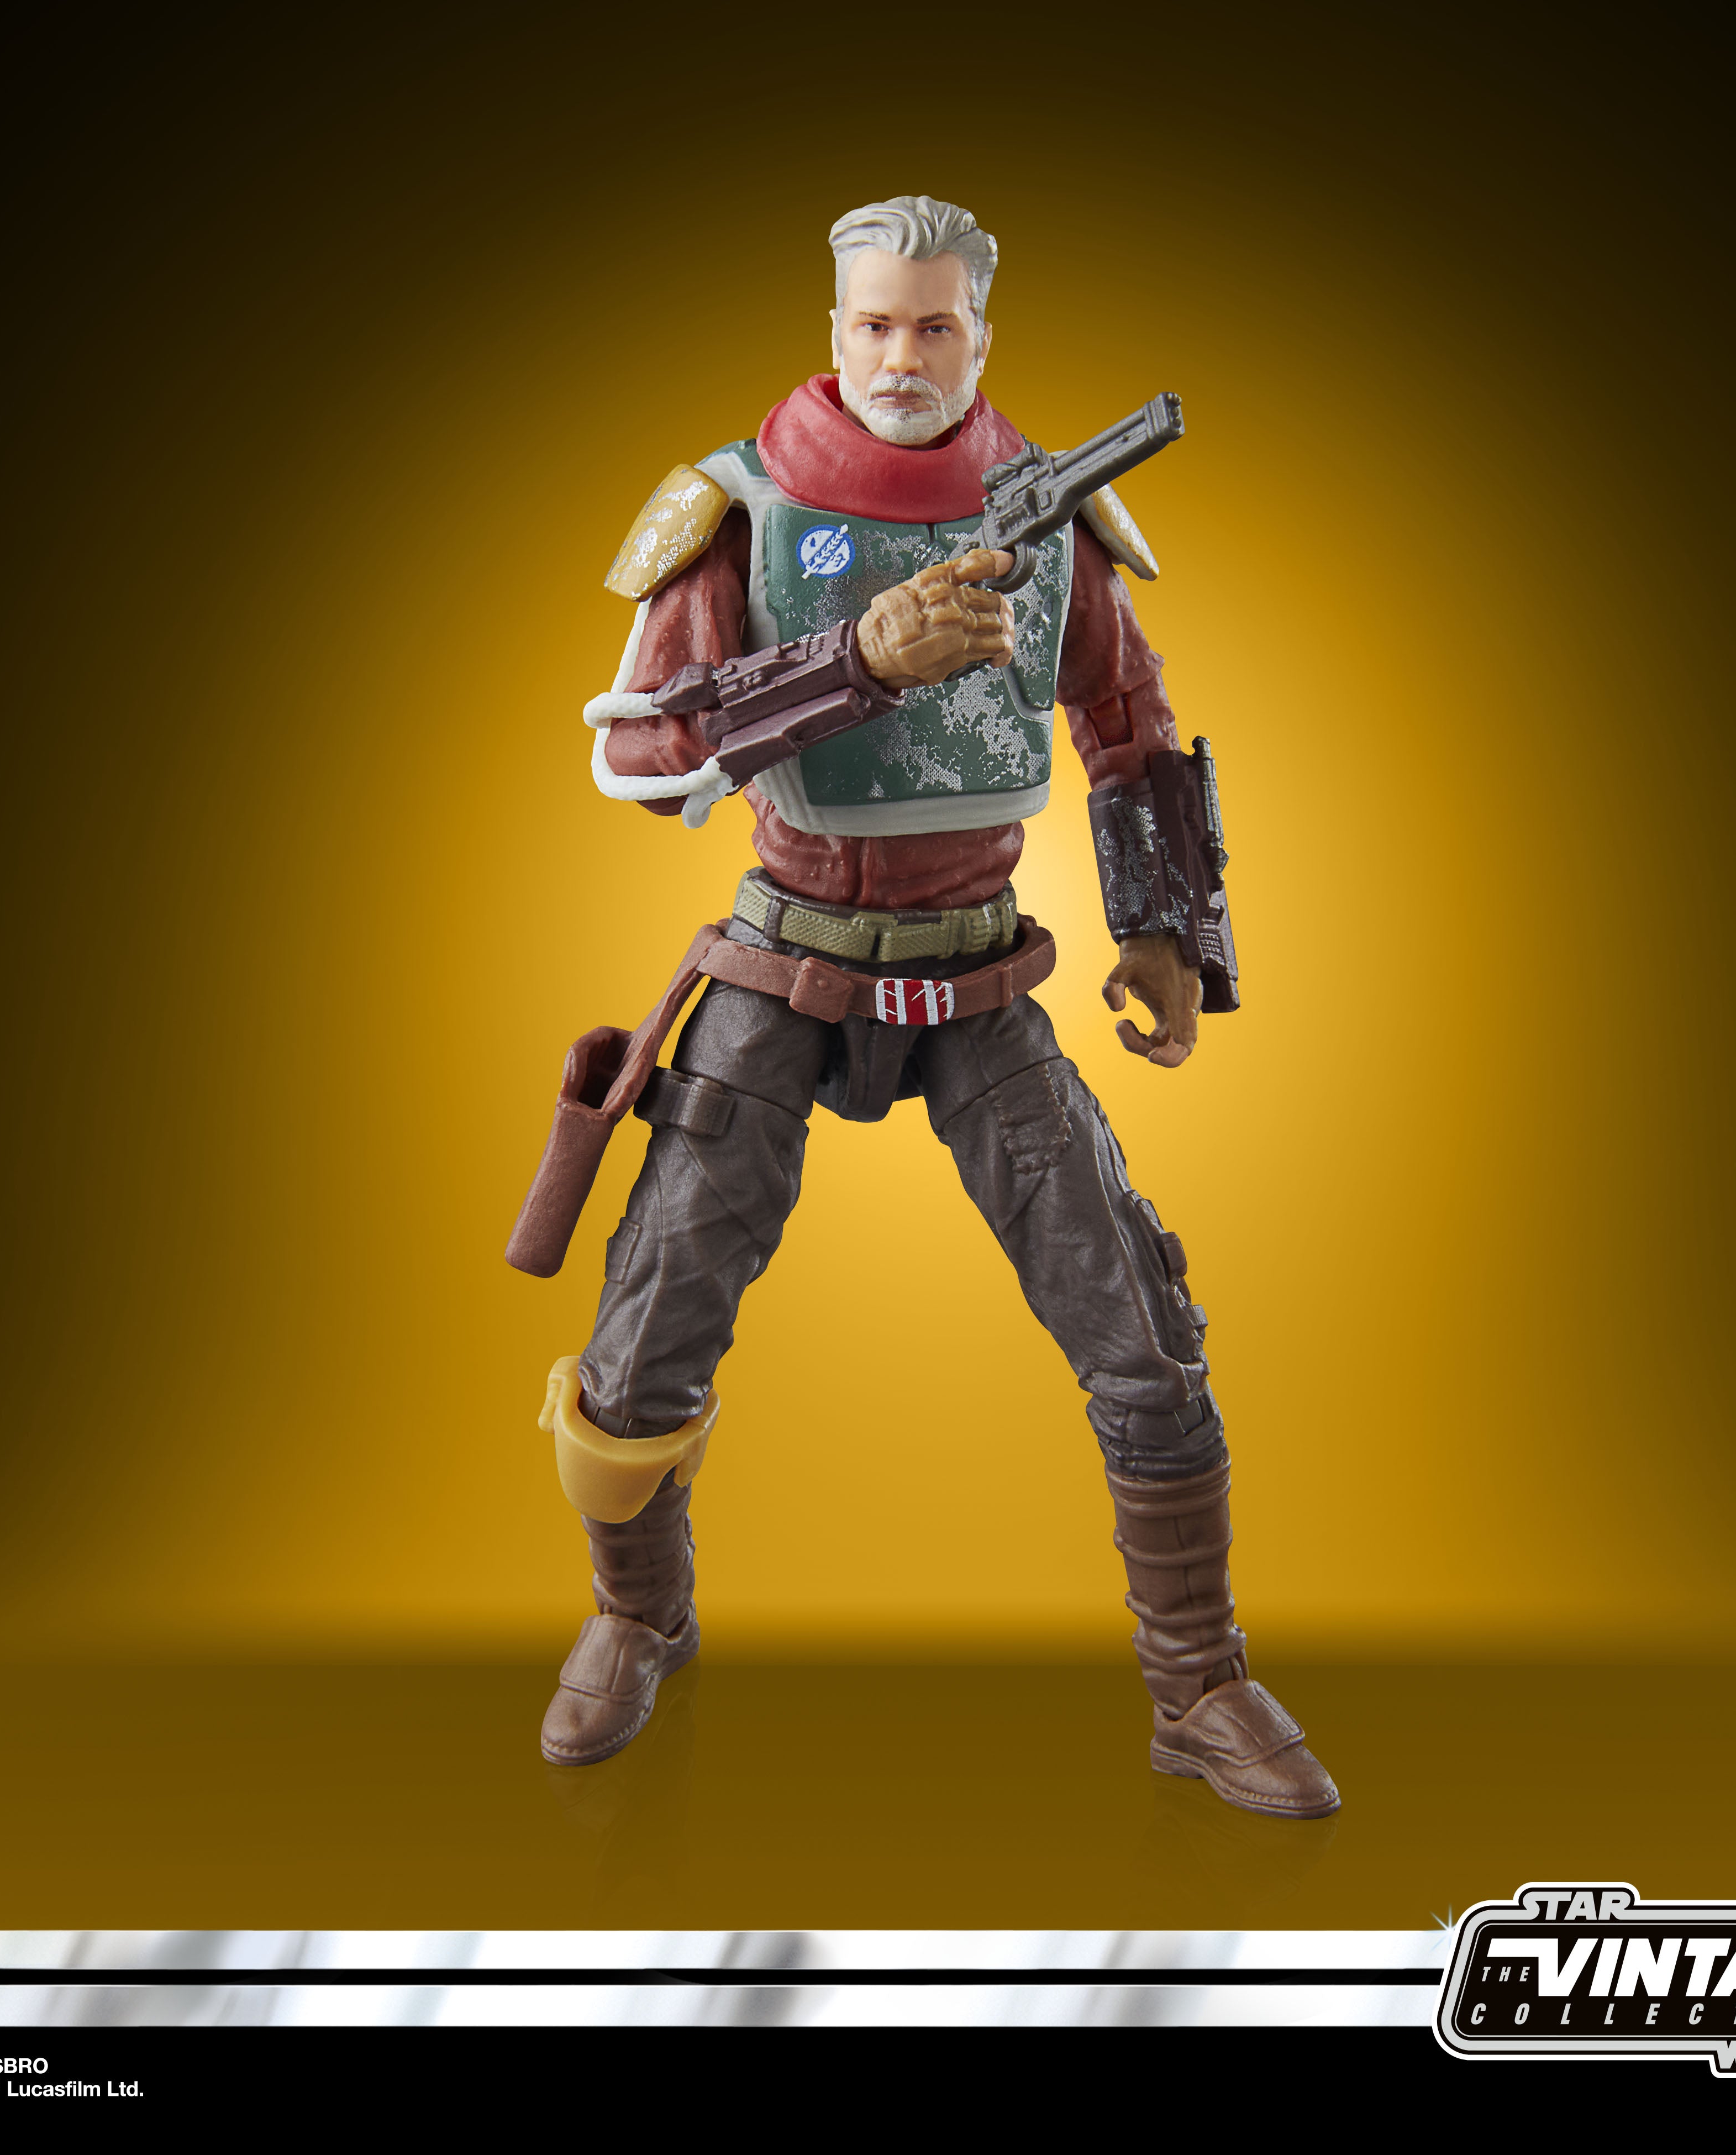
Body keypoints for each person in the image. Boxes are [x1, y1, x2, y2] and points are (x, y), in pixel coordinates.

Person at [528, 196, 1338, 1817]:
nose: (902, 356)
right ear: (833, 331)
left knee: (1139, 1327)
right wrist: (855, 665)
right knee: (651, 1316)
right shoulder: (743, 508)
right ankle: (635, 1616)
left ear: (979, 335)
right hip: (786, 960)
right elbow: (640, 751)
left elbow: (1130, 723)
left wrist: (1166, 935)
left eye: (935, 326)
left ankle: (1197, 1680)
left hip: (977, 969)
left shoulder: (1058, 515)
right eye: (874, 325)